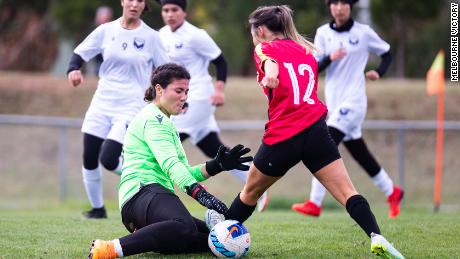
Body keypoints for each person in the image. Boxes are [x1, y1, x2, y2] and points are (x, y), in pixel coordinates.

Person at [223, 5, 404, 258]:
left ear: (261, 30)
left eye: (253, 31)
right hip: (316, 130)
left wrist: (271, 77)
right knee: (348, 192)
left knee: (250, 193)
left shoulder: (264, 47)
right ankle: (377, 236)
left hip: (284, 135)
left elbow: (271, 63)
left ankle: (219, 238)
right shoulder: (306, 51)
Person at [87, 63, 253, 258]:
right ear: (159, 89)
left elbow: (183, 172)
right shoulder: (155, 120)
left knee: (210, 239)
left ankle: (149, 236)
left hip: (144, 200)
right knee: (184, 227)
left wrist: (218, 165)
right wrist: (201, 194)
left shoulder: (164, 121)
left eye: (187, 91)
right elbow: (171, 166)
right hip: (141, 192)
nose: (184, 97)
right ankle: (108, 248)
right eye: (179, 90)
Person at [291, 0, 403, 219]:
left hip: (354, 103)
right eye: (334, 3)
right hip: (334, 104)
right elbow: (314, 67)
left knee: (323, 144)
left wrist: (379, 72)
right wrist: (329, 58)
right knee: (361, 154)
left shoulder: (363, 33)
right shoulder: (323, 33)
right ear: (329, 7)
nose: (339, 7)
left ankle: (315, 202)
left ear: (350, 6)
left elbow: (387, 53)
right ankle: (392, 192)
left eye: (343, 3)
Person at [157, 0, 269, 212]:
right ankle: (257, 184)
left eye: (174, 10)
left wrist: (219, 89)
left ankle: (163, 192)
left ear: (184, 12)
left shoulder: (195, 35)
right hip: (180, 97)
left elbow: (220, 62)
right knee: (213, 148)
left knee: (169, 141)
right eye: (166, 10)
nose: (170, 14)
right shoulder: (160, 35)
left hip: (198, 96)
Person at [67, 0, 170, 219]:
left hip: (131, 106)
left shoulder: (152, 37)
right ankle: (98, 209)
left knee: (109, 158)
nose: (134, 4)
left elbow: (166, 71)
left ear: (144, 5)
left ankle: (148, 178)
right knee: (89, 156)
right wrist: (73, 69)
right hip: (102, 102)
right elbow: (79, 54)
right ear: (122, 1)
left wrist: (172, 96)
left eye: (140, 0)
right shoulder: (105, 31)